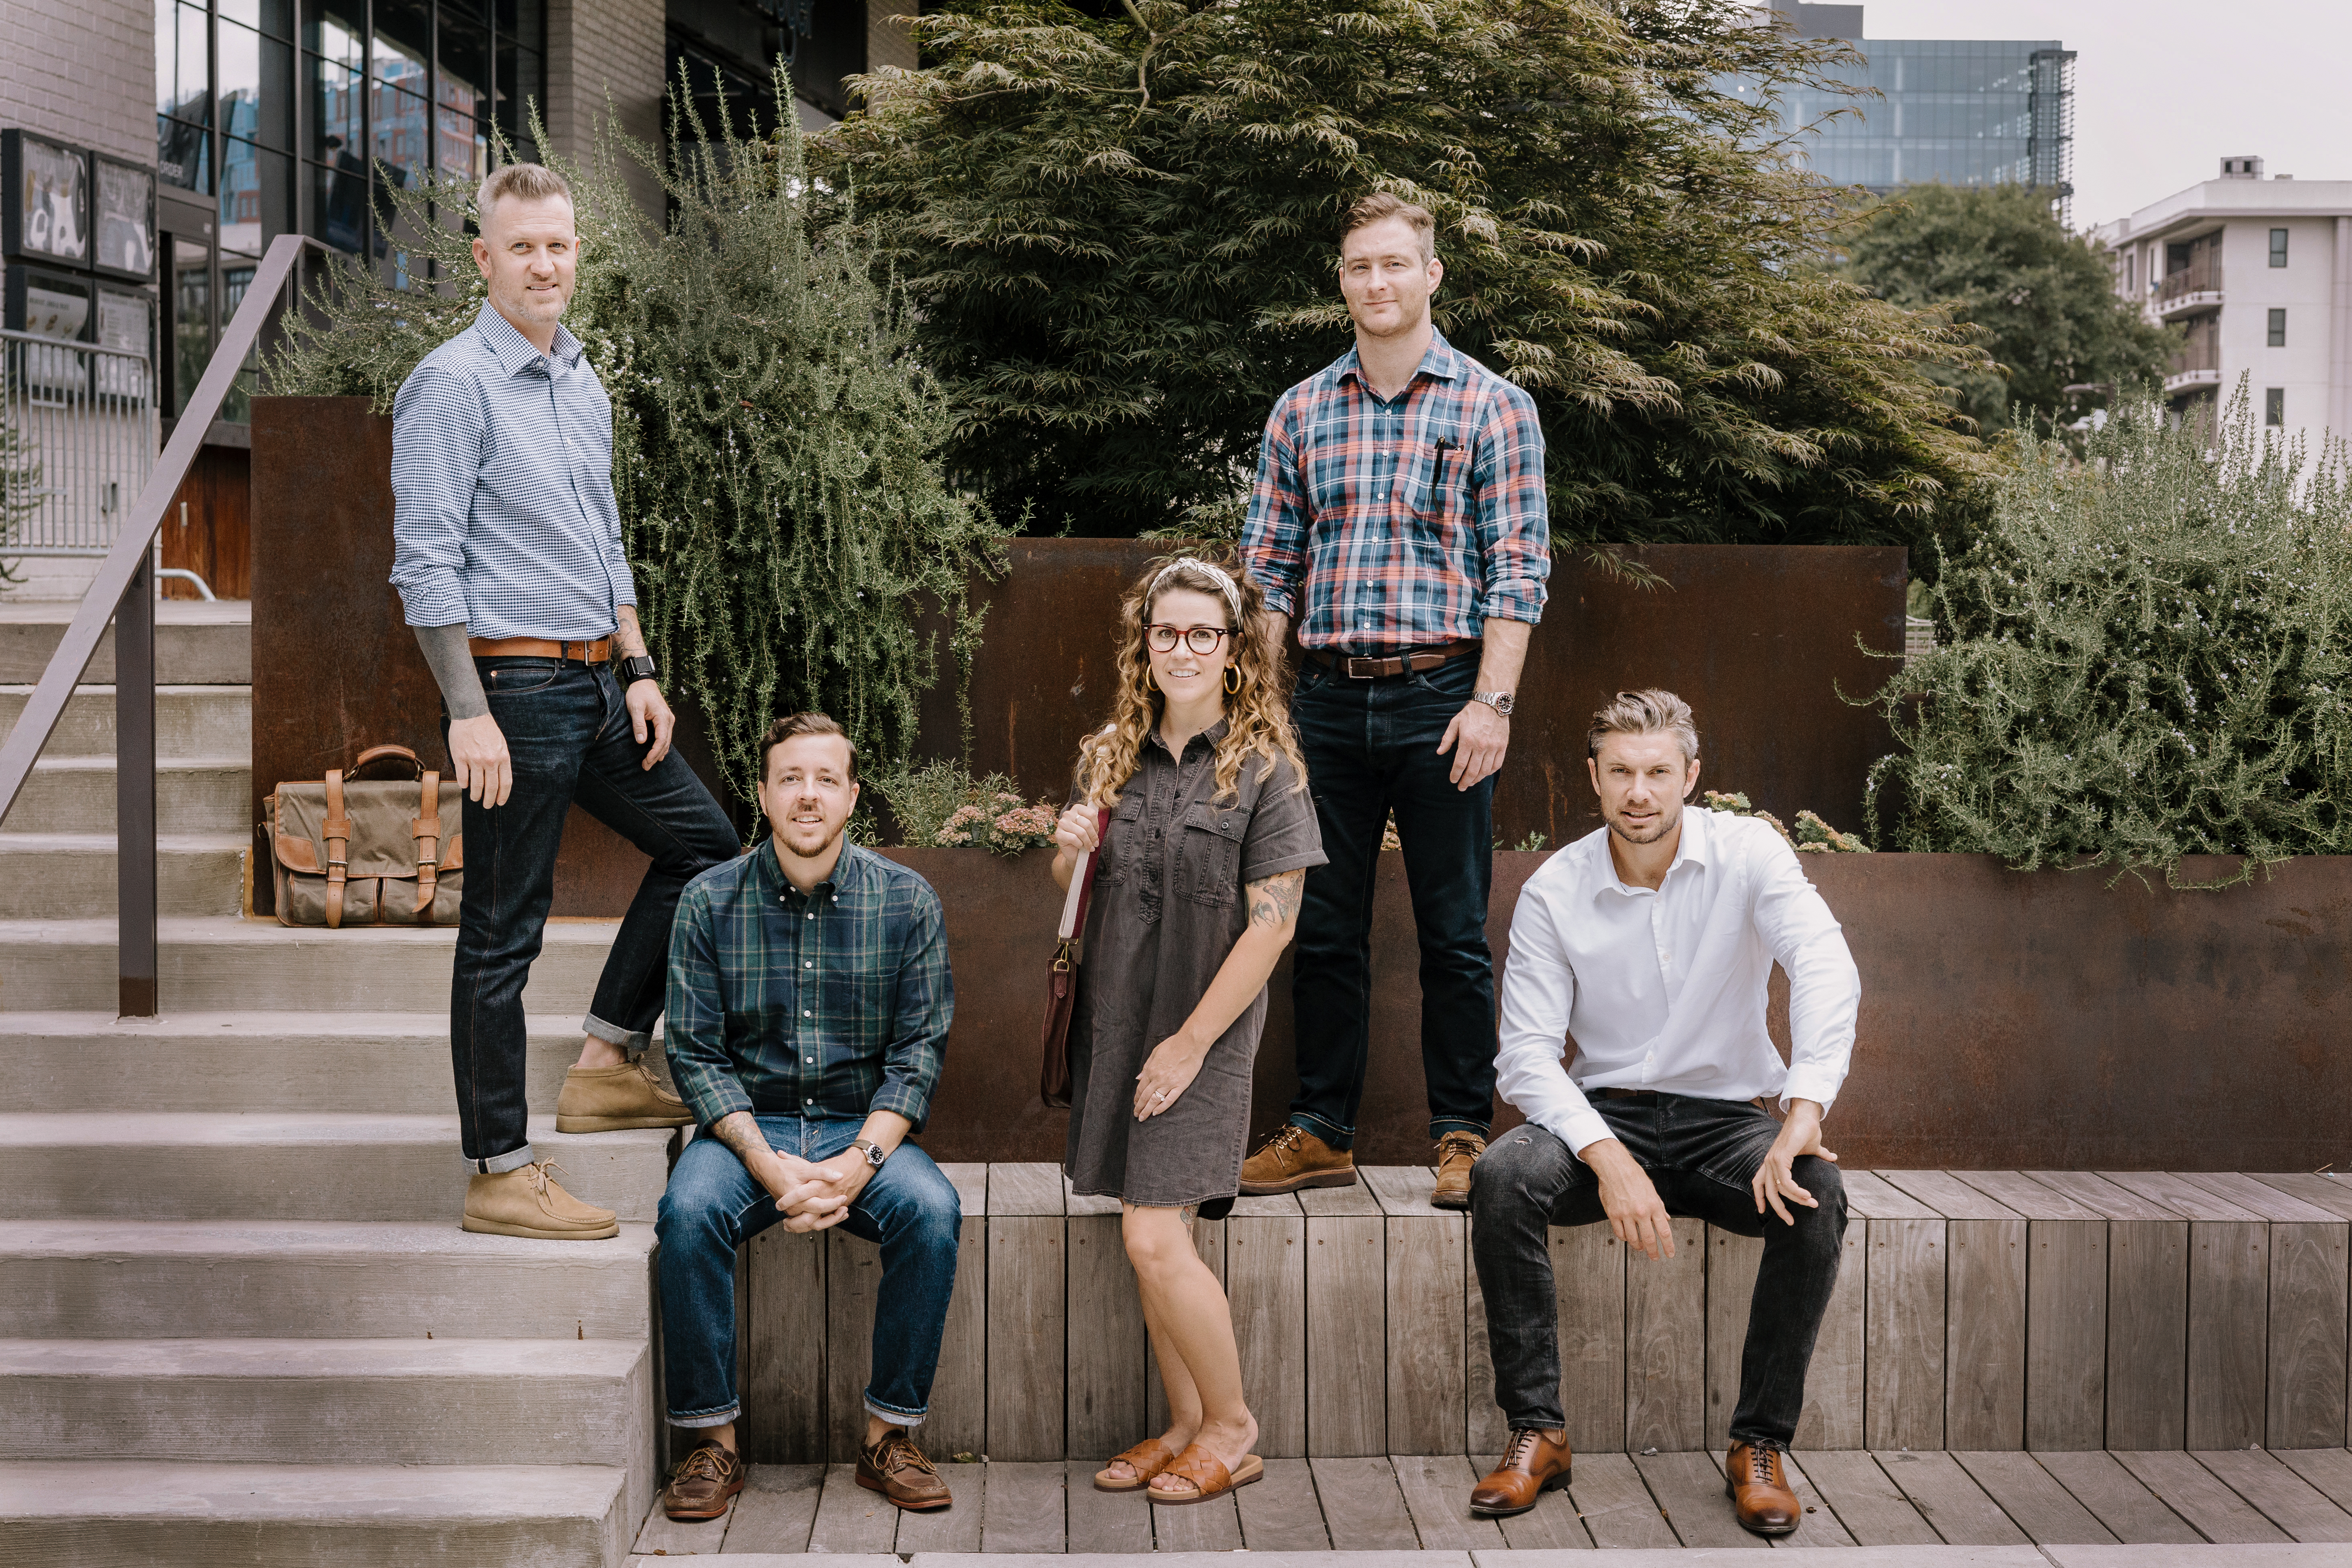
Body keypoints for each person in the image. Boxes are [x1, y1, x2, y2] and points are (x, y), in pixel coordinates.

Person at [390, 162, 739, 1240]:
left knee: (708, 846)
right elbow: (425, 562)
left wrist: (636, 666)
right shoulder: (452, 384)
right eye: (524, 246)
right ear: (485, 258)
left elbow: (607, 537)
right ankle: (498, 1169)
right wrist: (466, 709)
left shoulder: (579, 377)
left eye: (562, 244)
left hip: (595, 679)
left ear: (578, 252)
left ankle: (602, 1062)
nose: (547, 263)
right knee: (503, 931)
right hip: (514, 688)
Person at [1466, 690, 1859, 1537]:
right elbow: (1528, 1057)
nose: (1638, 792)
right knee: (1501, 1175)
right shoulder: (1555, 889)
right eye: (1620, 773)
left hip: (1727, 1120)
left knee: (1818, 1194)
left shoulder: (1748, 852)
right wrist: (1608, 1159)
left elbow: (1823, 962)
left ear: (1690, 776)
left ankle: (1758, 1445)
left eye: (1656, 773)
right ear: (1594, 778)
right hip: (1602, 1115)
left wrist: (1804, 1105)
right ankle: (1539, 1432)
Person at [1237, 192, 1551, 1209]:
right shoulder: (1300, 409)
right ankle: (1322, 1129)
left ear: (1431, 275)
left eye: (1393, 265)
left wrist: (1492, 706)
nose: (1376, 282)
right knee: (1318, 926)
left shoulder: (1494, 406)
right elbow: (1269, 573)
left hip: (1443, 700)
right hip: (1323, 703)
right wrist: (1268, 709)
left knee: (1453, 932)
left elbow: (1517, 568)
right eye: (1358, 267)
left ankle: (1462, 1137)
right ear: (1342, 282)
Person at [1050, 556, 1326, 1506]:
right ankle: (1181, 1424)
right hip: (1117, 1019)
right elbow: (1075, 895)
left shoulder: (1267, 771)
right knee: (1147, 1235)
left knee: (1155, 1236)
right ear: (1144, 644)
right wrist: (1067, 850)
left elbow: (1274, 924)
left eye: (1202, 633)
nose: (1182, 649)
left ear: (1235, 649)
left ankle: (1233, 1425)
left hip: (1201, 1033)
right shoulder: (1110, 753)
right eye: (1164, 632)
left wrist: (1192, 1043)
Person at [655, 713, 964, 1521]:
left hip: (858, 1131)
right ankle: (710, 1443)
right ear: (762, 794)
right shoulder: (706, 901)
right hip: (746, 1132)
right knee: (687, 1211)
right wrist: (770, 1166)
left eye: (826, 779)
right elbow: (694, 1056)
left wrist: (856, 1163)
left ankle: (888, 1436)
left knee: (932, 1211)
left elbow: (917, 1057)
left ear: (853, 796)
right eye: (791, 778)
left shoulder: (907, 901)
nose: (807, 796)